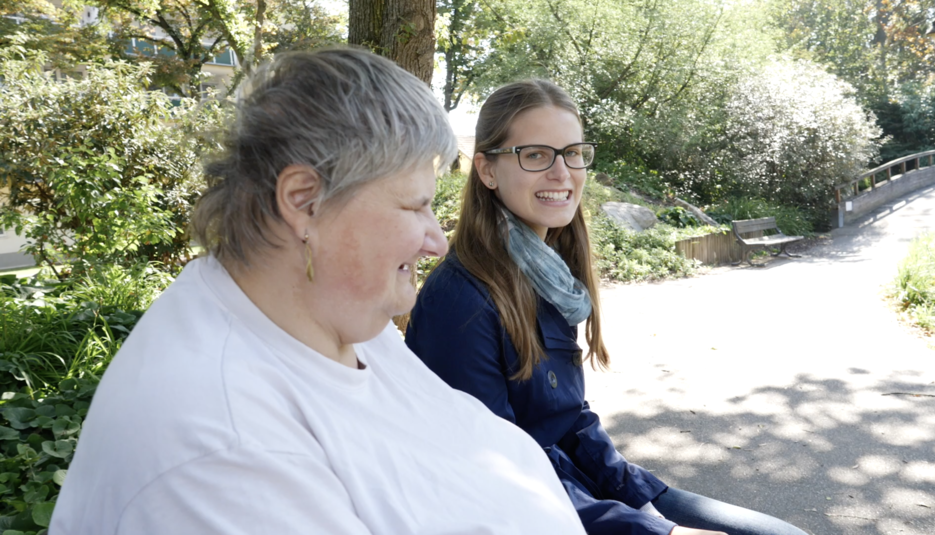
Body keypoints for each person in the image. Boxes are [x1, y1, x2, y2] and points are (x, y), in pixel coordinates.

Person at [50, 50, 588, 535]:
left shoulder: (341, 320)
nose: (435, 241)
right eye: (413, 206)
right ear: (306, 202)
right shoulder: (218, 449)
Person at [405, 79, 808, 535]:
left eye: (572, 153)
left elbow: (570, 419)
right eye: (536, 155)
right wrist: (657, 532)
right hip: (531, 512)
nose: (562, 173)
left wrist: (642, 499)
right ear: (488, 170)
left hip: (577, 488)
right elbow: (496, 472)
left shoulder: (546, 275)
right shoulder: (460, 300)